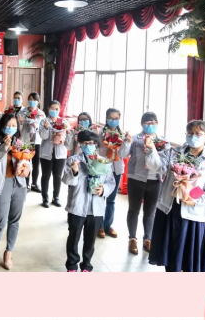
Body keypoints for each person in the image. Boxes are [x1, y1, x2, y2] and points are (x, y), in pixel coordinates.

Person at [147, 120, 205, 272]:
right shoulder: (173, 152)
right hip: (170, 208)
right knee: (170, 254)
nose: (193, 136)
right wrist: (151, 150)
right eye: (190, 133)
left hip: (194, 213)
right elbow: (157, 167)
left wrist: (195, 200)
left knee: (189, 259)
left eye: (198, 134)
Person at [62, 130, 115, 272]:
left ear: (96, 144)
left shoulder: (104, 162)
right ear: (80, 144)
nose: (89, 145)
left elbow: (111, 182)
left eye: (92, 143)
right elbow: (66, 181)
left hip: (96, 208)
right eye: (85, 143)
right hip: (77, 206)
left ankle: (86, 265)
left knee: (90, 239)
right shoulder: (73, 160)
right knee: (73, 237)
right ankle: (72, 265)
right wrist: (74, 172)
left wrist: (104, 189)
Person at [118, 112, 171, 255]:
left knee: (150, 211)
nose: (150, 125)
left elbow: (167, 162)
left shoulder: (164, 142)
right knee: (133, 210)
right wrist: (126, 142)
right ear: (142, 124)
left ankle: (148, 239)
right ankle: (132, 239)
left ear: (157, 124)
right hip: (136, 178)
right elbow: (122, 155)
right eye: (147, 123)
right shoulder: (135, 139)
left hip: (155, 180)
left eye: (153, 123)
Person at [0, 112, 29, 270]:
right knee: (0, 222)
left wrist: (27, 169)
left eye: (14, 125)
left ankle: (8, 252)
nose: (11, 128)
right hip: (2, 184)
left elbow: (26, 160)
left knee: (14, 221)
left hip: (19, 184)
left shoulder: (20, 142)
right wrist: (5, 146)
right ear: (2, 126)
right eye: (8, 125)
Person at [97, 108, 126, 238]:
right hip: (103, 168)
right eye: (111, 118)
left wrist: (126, 143)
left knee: (111, 200)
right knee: (100, 197)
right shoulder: (100, 133)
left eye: (116, 118)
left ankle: (108, 225)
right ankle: (99, 226)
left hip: (117, 169)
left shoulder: (123, 135)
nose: (113, 121)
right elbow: (95, 149)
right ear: (106, 119)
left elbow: (125, 153)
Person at [38, 100, 69, 208]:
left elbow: (68, 136)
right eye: (52, 108)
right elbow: (43, 136)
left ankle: (56, 197)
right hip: (46, 153)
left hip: (60, 154)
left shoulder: (63, 121)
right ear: (48, 108)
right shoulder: (44, 121)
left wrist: (62, 138)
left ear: (59, 110)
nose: (54, 111)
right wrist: (46, 127)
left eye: (56, 109)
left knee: (58, 176)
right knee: (45, 176)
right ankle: (45, 197)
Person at [18, 92, 45, 192]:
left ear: (38, 102)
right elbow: (19, 125)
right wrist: (21, 122)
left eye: (34, 100)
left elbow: (43, 128)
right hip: (25, 140)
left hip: (37, 141)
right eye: (30, 99)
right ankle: (26, 184)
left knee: (36, 164)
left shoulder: (41, 113)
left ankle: (34, 184)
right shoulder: (23, 112)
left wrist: (36, 126)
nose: (32, 102)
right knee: (26, 163)